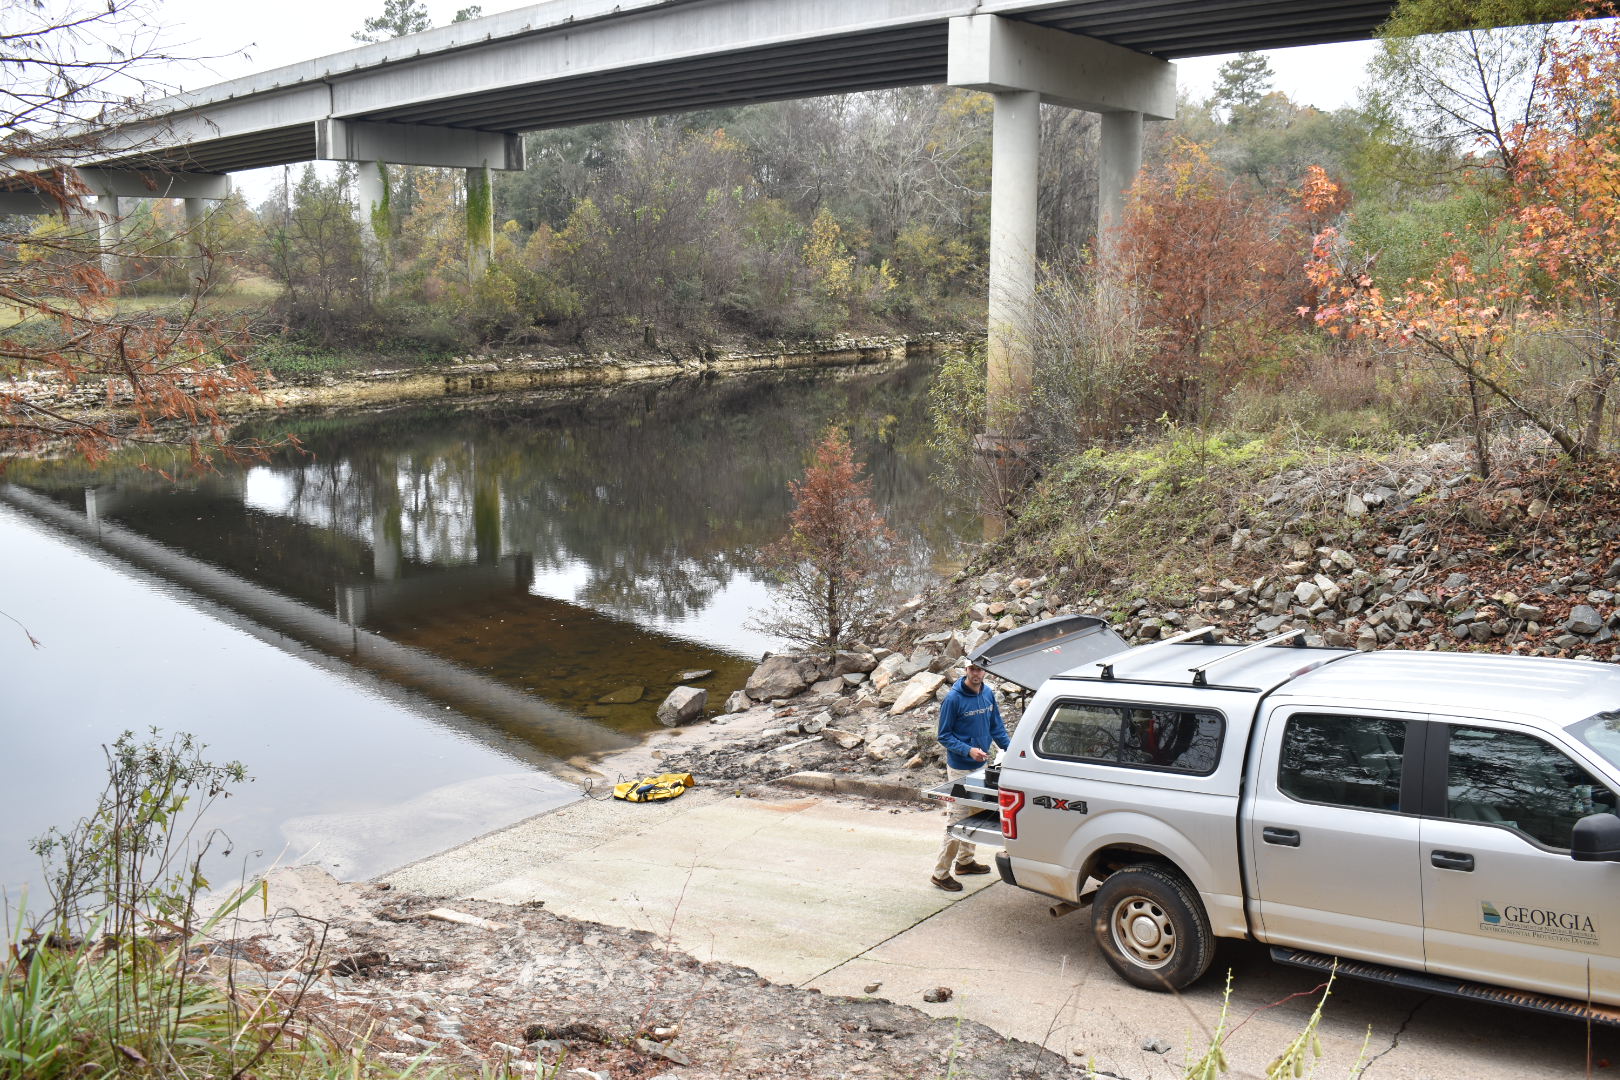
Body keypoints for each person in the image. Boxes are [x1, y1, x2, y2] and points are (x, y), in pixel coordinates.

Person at [931, 660, 1009, 892]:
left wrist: (1013, 751)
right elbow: (943, 736)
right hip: (960, 767)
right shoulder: (953, 699)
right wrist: (968, 750)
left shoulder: (987, 693)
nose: (976, 673)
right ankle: (940, 873)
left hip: (981, 764)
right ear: (966, 670)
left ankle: (965, 862)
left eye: (980, 669)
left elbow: (997, 727)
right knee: (957, 819)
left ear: (985, 671)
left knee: (976, 812)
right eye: (972, 669)